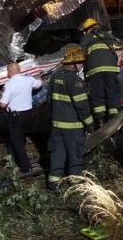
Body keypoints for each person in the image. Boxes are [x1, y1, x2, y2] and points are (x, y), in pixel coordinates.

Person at [47, 47, 94, 190]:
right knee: (75, 156)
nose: (81, 66)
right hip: (73, 128)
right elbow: (82, 107)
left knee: (57, 154)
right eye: (80, 63)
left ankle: (53, 184)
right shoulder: (76, 81)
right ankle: (75, 186)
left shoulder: (55, 77)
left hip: (56, 126)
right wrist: (90, 125)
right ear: (74, 64)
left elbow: (49, 100)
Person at [0, 62, 42, 174]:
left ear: (9, 72)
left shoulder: (9, 84)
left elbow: (3, 104)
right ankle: (10, 160)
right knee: (14, 138)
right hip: (28, 114)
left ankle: (26, 167)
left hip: (15, 116)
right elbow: (38, 84)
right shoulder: (28, 79)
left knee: (17, 141)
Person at [79, 18, 122, 124]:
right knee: (112, 91)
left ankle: (100, 119)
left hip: (94, 70)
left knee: (97, 94)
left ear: (87, 29)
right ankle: (114, 116)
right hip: (111, 68)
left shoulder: (86, 38)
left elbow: (83, 56)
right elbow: (116, 48)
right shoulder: (108, 35)